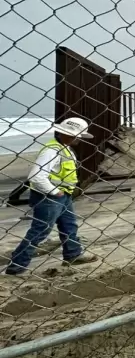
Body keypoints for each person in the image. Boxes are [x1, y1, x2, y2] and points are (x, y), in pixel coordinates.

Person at [5, 117, 99, 275]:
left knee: (69, 226)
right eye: (78, 136)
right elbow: (36, 176)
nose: (80, 139)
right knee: (41, 230)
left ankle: (73, 254)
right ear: (69, 134)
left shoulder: (64, 148)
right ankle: (17, 265)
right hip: (49, 197)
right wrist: (55, 191)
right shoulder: (52, 150)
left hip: (62, 195)